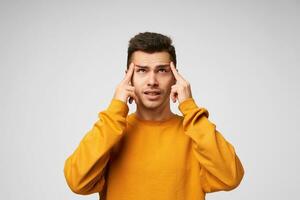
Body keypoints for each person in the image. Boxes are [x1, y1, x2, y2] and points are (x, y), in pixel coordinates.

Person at [63, 32, 245, 200]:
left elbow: (231, 177)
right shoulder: (112, 131)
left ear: (175, 78)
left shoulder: (194, 132)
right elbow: (77, 182)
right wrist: (115, 109)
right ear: (128, 77)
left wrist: (189, 108)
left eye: (162, 70)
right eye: (142, 70)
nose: (152, 81)